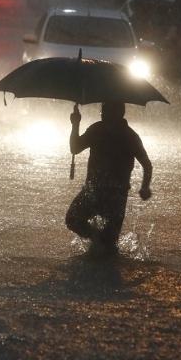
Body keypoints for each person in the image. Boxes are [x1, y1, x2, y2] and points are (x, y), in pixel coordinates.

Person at [65, 101, 152, 254]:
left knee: (109, 247)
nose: (103, 114)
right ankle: (96, 238)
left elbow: (147, 164)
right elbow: (75, 148)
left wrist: (145, 186)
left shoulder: (129, 136)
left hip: (114, 195)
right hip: (95, 191)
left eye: (106, 112)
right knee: (73, 219)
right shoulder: (97, 130)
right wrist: (75, 123)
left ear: (118, 114)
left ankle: (100, 247)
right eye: (103, 112)